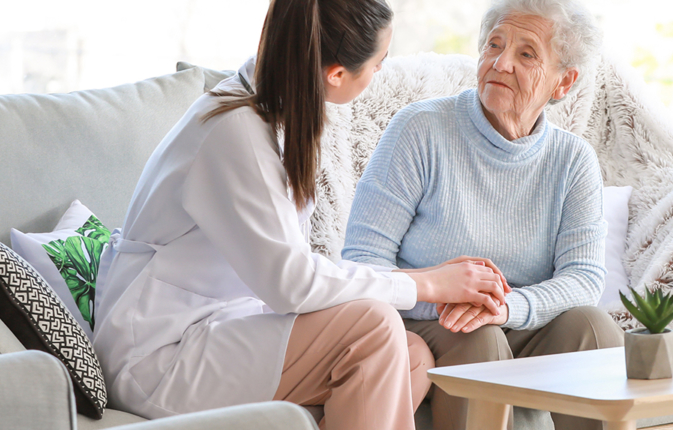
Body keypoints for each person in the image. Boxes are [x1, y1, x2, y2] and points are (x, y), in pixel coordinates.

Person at [90, 1, 511, 429]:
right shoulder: (235, 133)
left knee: (413, 358)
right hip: (158, 356)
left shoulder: (275, 116)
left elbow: (292, 270)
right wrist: (426, 283)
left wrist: (425, 281)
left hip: (221, 325)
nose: (381, 72)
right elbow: (290, 285)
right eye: (378, 64)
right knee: (375, 328)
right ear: (335, 75)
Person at [341, 0, 623, 428]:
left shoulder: (572, 160)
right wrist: (441, 300)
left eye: (526, 54)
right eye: (493, 44)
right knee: (477, 339)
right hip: (430, 323)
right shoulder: (420, 130)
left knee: (595, 328)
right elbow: (363, 261)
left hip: (519, 318)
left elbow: (584, 278)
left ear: (563, 83)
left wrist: (505, 307)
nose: (500, 63)